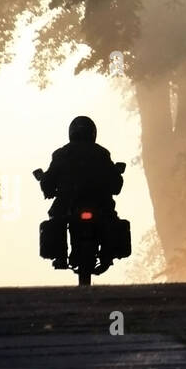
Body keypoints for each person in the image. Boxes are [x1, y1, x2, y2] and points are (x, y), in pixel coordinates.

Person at [38, 116, 124, 271]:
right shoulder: (102, 153)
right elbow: (116, 183)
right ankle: (107, 255)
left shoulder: (61, 154)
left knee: (56, 218)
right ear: (92, 132)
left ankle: (61, 257)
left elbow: (48, 180)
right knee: (111, 218)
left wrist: (47, 188)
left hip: (68, 201)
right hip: (99, 201)